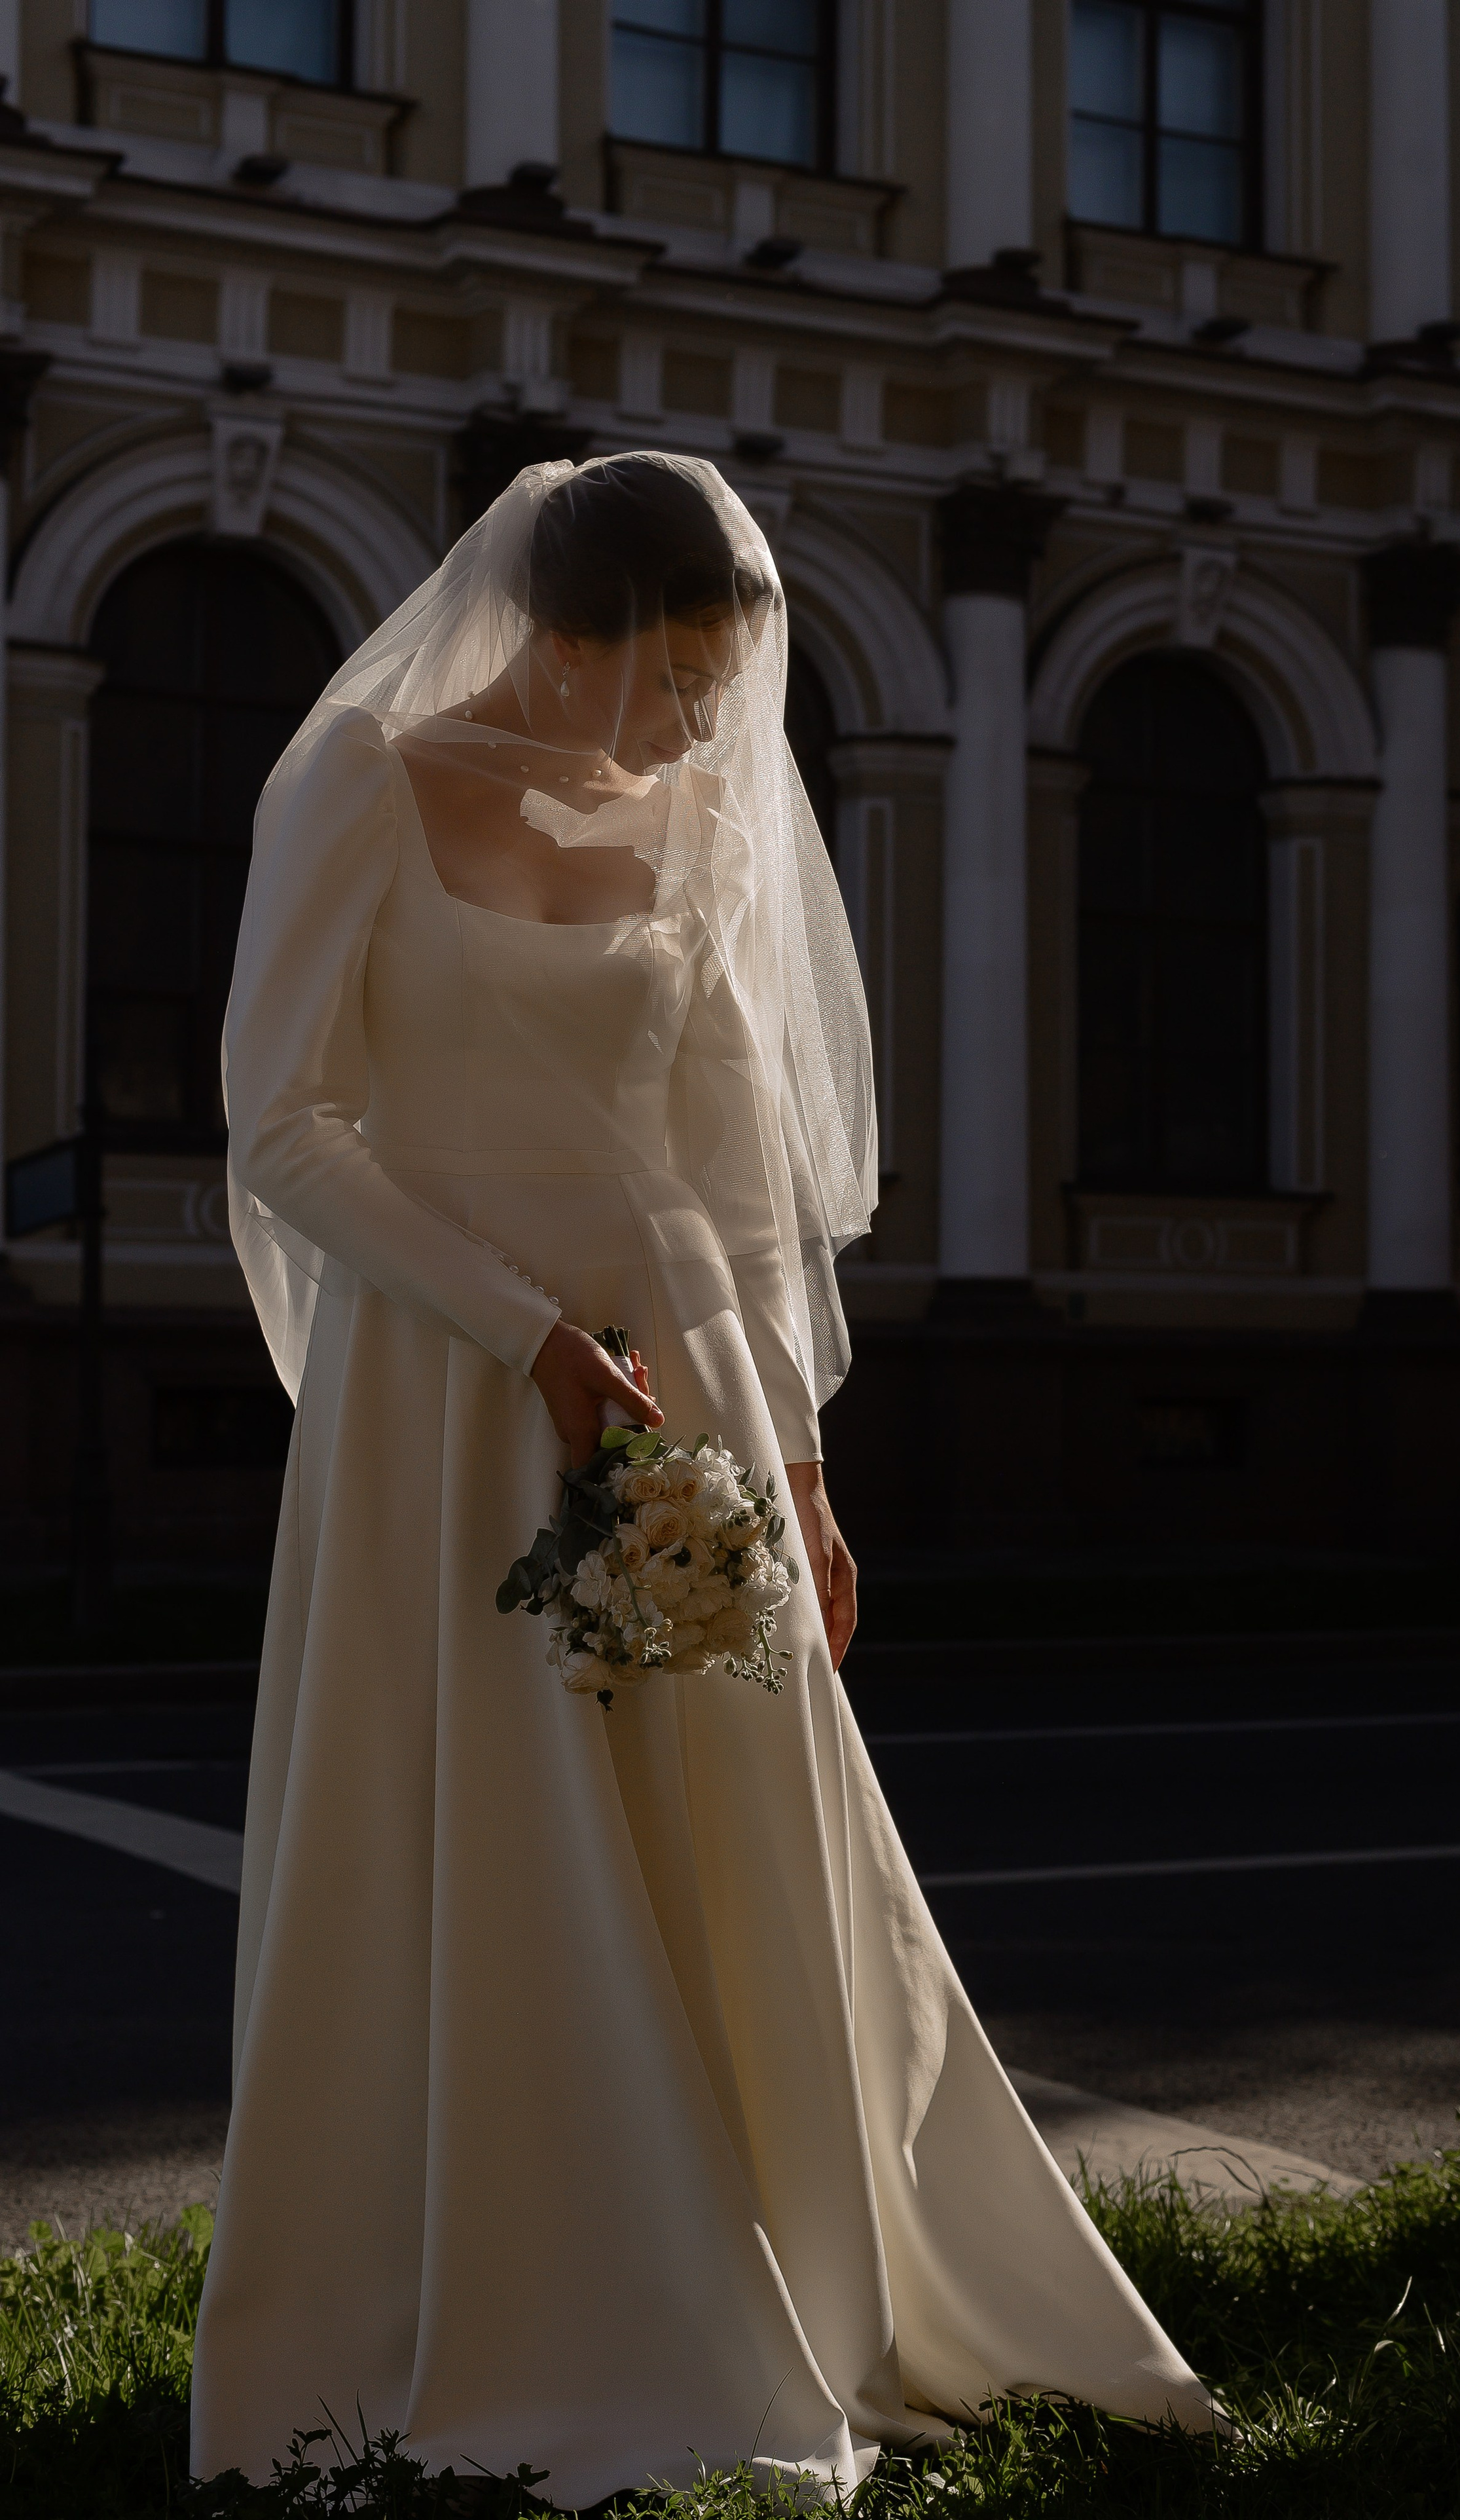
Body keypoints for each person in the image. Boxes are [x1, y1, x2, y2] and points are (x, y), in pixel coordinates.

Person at [189, 453, 1214, 2503]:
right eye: (666, 680)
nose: (690, 726)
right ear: (564, 631)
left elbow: (746, 1177)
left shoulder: (711, 814)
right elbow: (284, 1122)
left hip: (691, 1387)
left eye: (716, 685)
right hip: (457, 1387)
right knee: (471, 1826)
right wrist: (530, 1342)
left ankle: (808, 2277)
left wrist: (807, 1474)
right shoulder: (367, 779)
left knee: (741, 1844)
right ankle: (496, 2299)